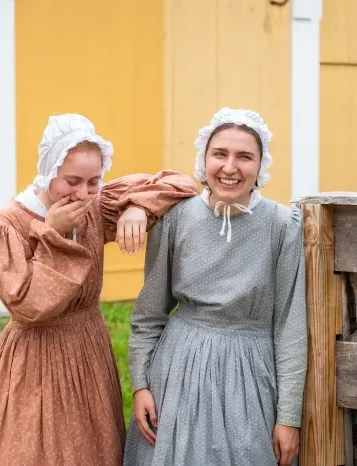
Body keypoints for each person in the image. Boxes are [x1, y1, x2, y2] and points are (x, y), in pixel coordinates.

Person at [0, 114, 199, 466]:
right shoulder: (9, 225)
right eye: (71, 181)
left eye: (94, 181)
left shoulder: (95, 206)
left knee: (88, 447)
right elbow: (28, 306)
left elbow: (181, 184)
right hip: (33, 358)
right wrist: (52, 235)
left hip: (87, 348)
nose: (83, 193)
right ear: (48, 171)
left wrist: (136, 207)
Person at [124, 108, 308, 466]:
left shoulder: (282, 225)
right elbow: (148, 314)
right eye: (220, 154)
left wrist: (288, 416)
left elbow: (290, 327)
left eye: (244, 157)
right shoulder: (175, 219)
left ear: (260, 166)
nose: (229, 167)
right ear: (204, 159)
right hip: (177, 371)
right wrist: (141, 384)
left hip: (251, 373)